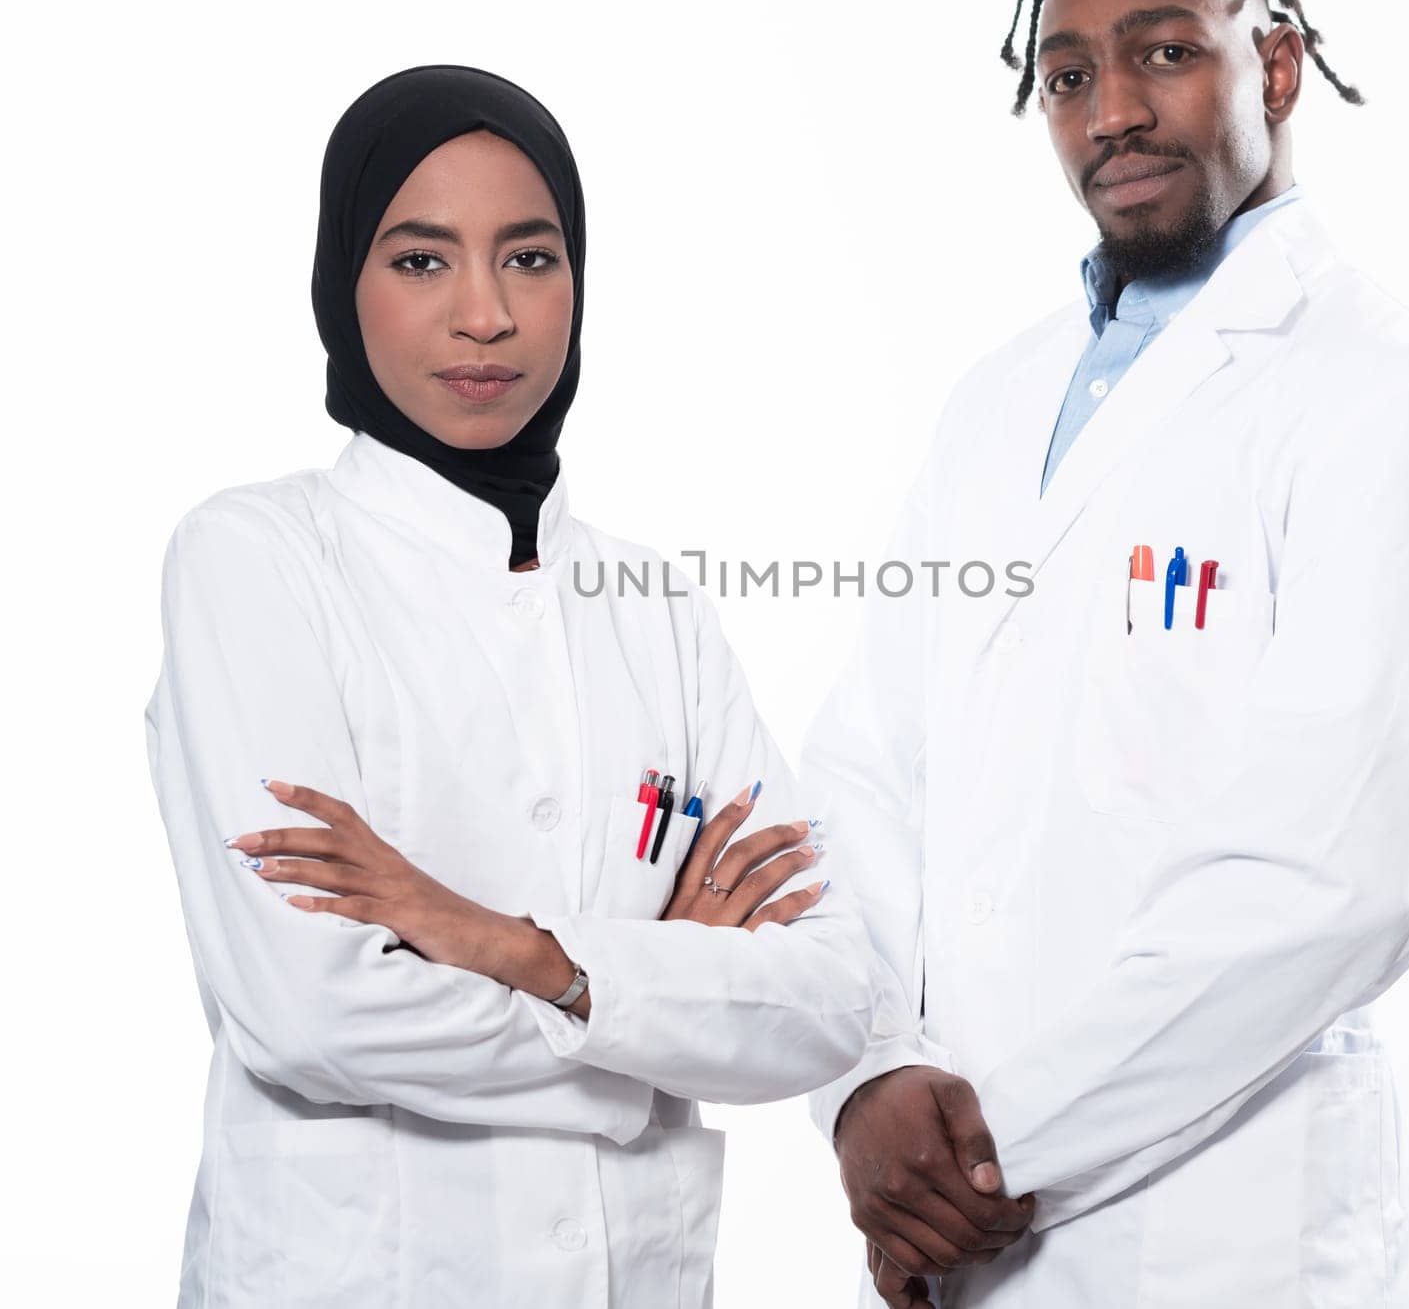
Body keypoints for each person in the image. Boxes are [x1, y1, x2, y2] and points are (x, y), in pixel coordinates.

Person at [803, 0, 1409, 1309]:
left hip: (1222, 1233)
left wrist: (980, 1156)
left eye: (1164, 52)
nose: (1112, 110)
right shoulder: (995, 404)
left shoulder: (1388, 400)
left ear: (1274, 66)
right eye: (1070, 75)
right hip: (950, 1231)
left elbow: (1336, 877)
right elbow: (863, 768)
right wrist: (866, 1076)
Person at [144, 63, 874, 1308]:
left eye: (530, 259)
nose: (484, 315)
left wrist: (512, 950)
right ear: (340, 284)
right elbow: (311, 1017)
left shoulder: (655, 609)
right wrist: (646, 997)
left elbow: (824, 1005)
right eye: (422, 261)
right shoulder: (255, 558)